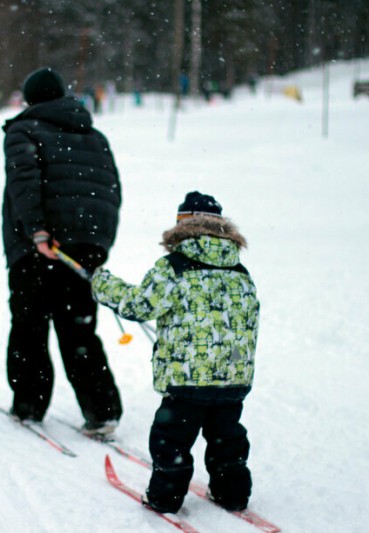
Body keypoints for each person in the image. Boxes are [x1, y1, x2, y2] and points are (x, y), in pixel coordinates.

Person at [91, 191, 261, 514]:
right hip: (232, 379)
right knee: (228, 438)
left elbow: (140, 304)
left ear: (183, 225)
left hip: (187, 380)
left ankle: (165, 497)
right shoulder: (240, 272)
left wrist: (104, 286)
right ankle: (233, 492)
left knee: (171, 439)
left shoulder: (174, 267)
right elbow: (249, 321)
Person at [1, 67, 123, 435]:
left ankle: (28, 406)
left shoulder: (23, 130)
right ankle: (102, 410)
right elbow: (110, 191)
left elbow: (24, 182)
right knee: (78, 328)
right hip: (83, 249)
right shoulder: (95, 136)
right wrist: (97, 243)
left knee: (29, 327)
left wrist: (38, 231)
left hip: (38, 247)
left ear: (30, 99)